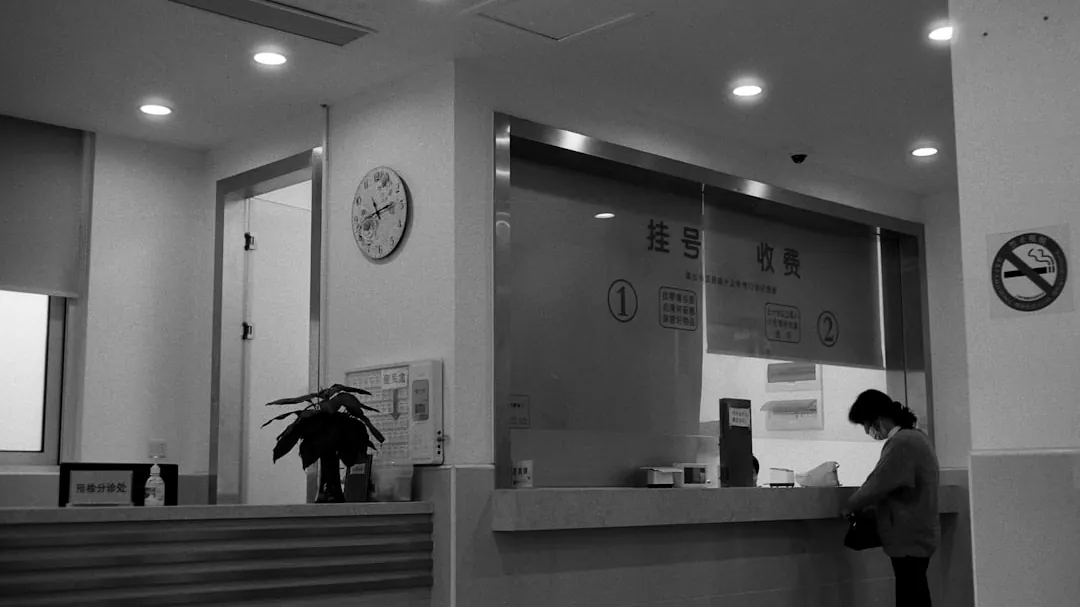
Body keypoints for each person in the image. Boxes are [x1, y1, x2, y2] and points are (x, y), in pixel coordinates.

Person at [843, 389, 939, 607]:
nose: (868, 431)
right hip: (920, 533)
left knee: (910, 596)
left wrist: (849, 505)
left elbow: (878, 482)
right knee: (916, 594)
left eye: (865, 425)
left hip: (908, 537)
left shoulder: (902, 443)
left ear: (877, 420)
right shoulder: (917, 438)